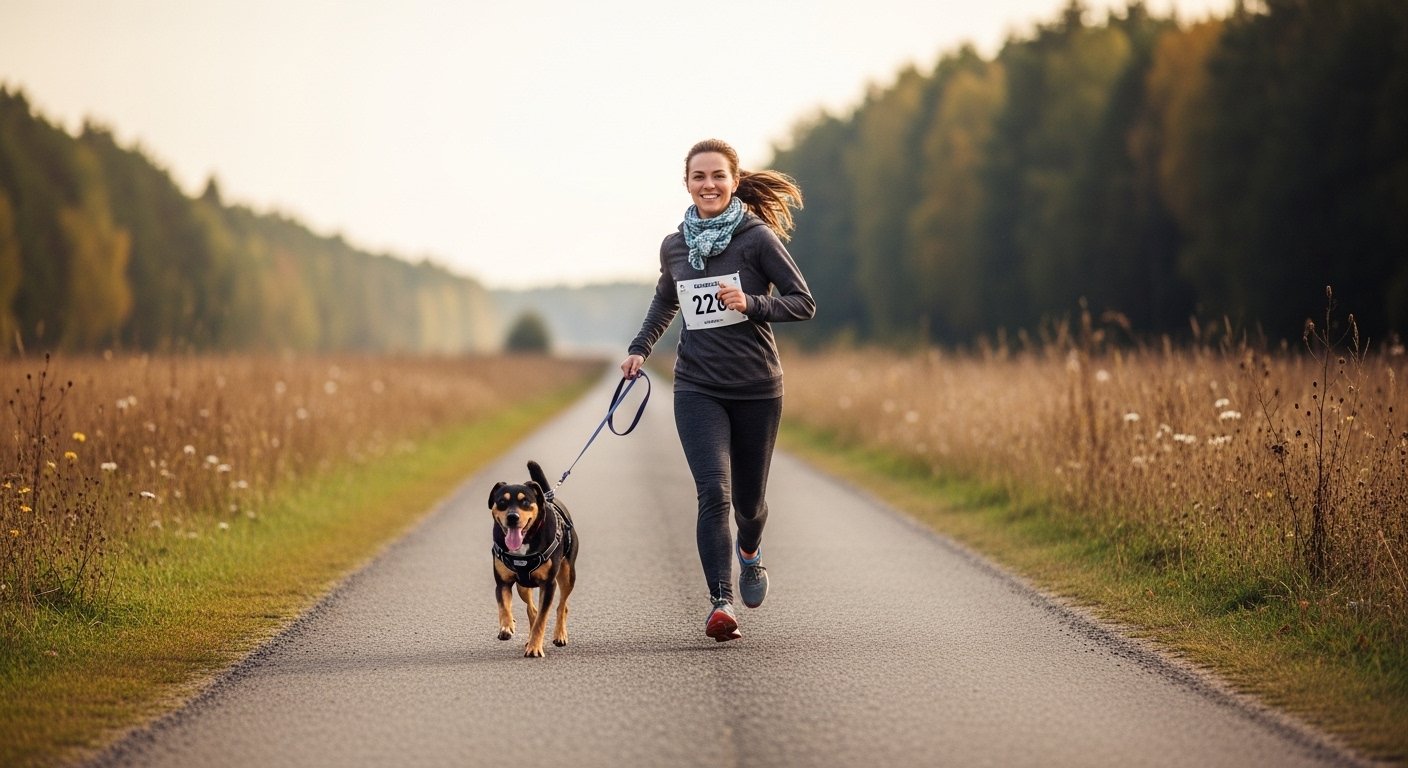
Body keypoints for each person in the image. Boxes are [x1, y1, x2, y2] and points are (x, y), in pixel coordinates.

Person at [620, 138, 815, 642]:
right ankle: (720, 603)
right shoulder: (675, 245)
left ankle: (749, 553)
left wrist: (752, 303)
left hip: (756, 388)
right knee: (714, 494)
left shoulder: (757, 239)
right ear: (686, 184)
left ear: (733, 181)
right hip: (697, 387)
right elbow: (667, 300)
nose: (708, 185)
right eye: (698, 177)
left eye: (717, 176)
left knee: (750, 505)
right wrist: (640, 348)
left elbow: (802, 303)